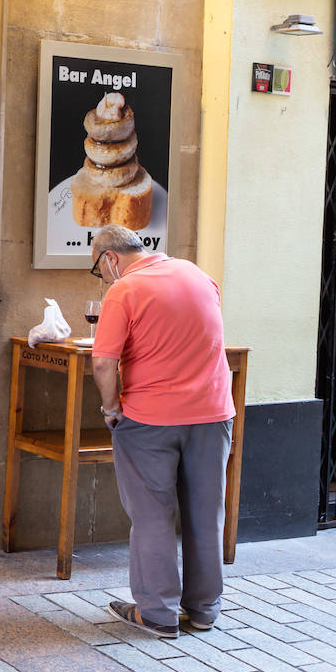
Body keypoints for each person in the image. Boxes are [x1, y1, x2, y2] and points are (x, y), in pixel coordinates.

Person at [90, 225, 235, 639]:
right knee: (206, 513)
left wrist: (110, 408)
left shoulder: (124, 289)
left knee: (153, 514)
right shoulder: (197, 274)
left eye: (98, 271)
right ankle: (205, 610)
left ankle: (157, 613)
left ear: (110, 259)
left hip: (151, 419)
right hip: (212, 415)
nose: (103, 280)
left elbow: (103, 363)